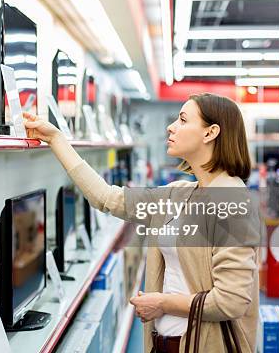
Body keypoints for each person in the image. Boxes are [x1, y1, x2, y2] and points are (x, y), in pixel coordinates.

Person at [22, 92, 258, 353]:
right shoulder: (180, 194)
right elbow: (107, 197)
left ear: (210, 133)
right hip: (165, 343)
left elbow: (231, 301)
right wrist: (56, 140)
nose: (171, 126)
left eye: (182, 120)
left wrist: (163, 304)